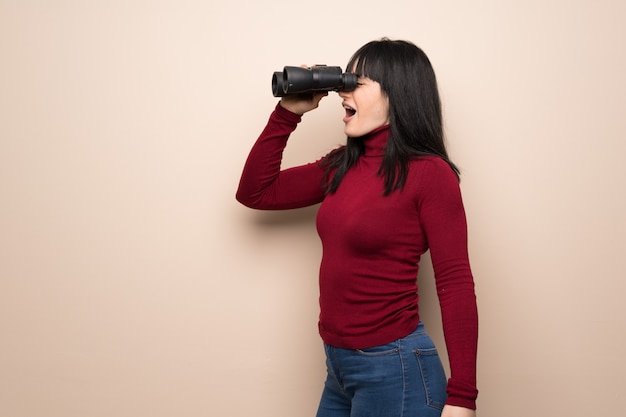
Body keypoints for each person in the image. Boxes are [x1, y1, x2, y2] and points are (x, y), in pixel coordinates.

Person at [236, 38, 478, 417]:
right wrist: (287, 112)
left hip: (395, 369)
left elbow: (456, 281)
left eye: (358, 81)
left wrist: (463, 396)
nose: (343, 91)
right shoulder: (342, 165)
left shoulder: (430, 175)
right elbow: (255, 192)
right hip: (339, 368)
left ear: (398, 95)